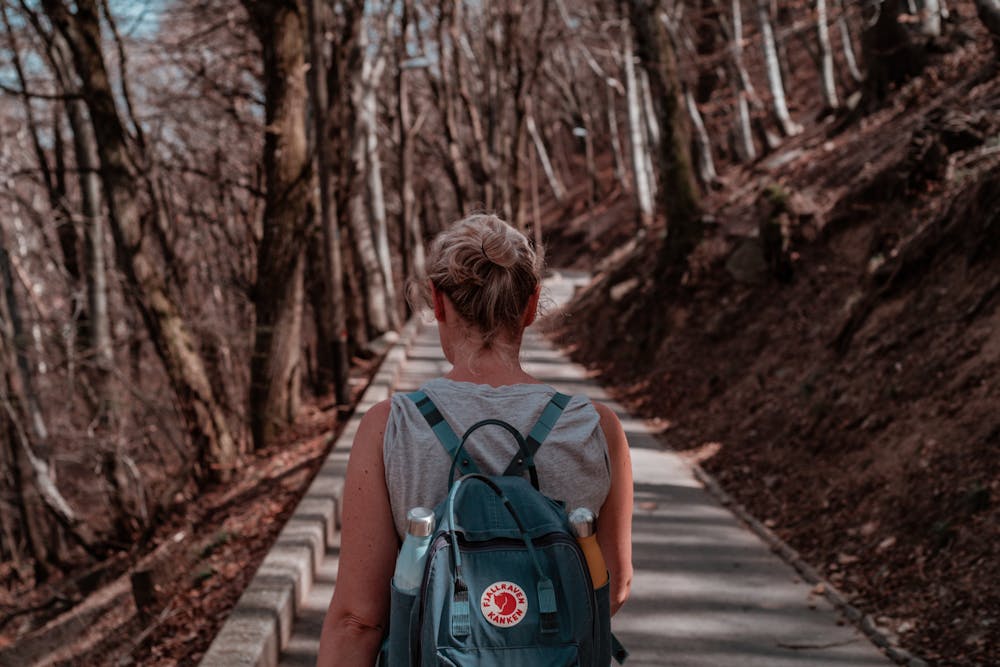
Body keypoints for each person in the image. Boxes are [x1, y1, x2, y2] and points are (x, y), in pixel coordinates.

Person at [316, 213, 633, 666]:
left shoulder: (391, 426)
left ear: (438, 304)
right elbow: (612, 586)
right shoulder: (596, 427)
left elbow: (358, 619)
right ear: (531, 305)